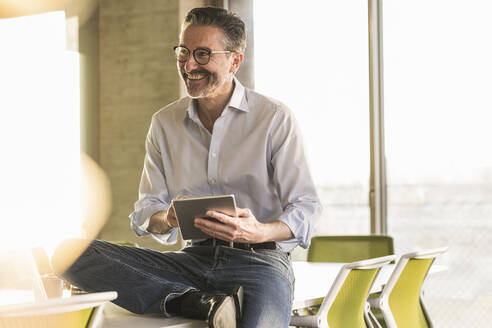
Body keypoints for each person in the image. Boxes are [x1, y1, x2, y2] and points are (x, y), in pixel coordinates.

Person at [53, 7, 321, 328]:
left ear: (235, 61)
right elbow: (145, 213)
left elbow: (307, 208)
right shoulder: (164, 123)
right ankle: (193, 301)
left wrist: (260, 231)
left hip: (260, 262)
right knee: (70, 253)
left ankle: (192, 300)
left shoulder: (274, 118)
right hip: (190, 262)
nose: (189, 65)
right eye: (183, 52)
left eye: (203, 54)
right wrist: (166, 218)